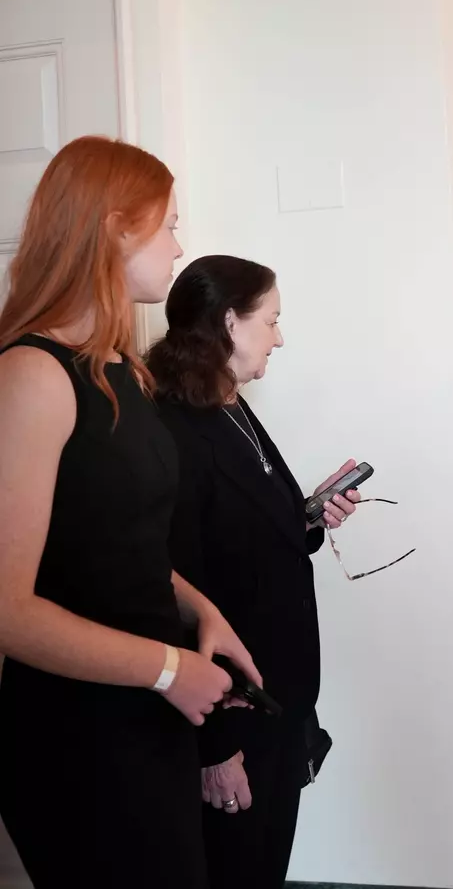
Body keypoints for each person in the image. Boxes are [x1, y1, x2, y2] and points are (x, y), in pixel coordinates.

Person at [0, 138, 261, 889]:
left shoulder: (122, 371)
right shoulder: (32, 376)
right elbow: (9, 610)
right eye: (169, 225)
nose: (180, 247)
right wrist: (169, 668)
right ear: (116, 228)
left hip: (146, 714)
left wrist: (201, 611)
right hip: (76, 735)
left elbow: (120, 543)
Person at [147, 255, 360, 889]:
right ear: (231, 324)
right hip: (231, 717)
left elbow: (245, 540)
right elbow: (173, 593)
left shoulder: (231, 405)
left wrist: (310, 521)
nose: (280, 336)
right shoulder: (172, 430)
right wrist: (215, 750)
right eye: (271, 321)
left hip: (279, 704)